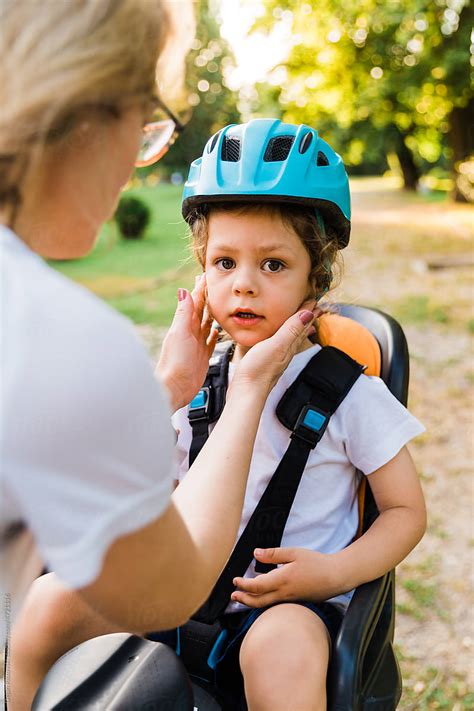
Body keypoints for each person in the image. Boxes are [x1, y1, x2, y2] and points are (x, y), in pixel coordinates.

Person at [11, 119, 426, 711]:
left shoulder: (349, 393)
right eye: (225, 263)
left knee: (279, 652)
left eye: (274, 265)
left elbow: (406, 512)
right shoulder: (199, 379)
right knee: (48, 602)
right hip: (178, 587)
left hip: (285, 604)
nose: (245, 287)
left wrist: (331, 574)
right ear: (202, 271)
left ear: (317, 275)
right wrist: (167, 391)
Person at [0, 3, 317, 707]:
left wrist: (168, 385)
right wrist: (244, 390)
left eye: (271, 264)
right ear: (91, 112)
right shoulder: (60, 339)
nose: (139, 160)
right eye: (146, 124)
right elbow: (177, 584)